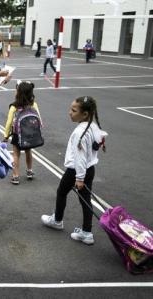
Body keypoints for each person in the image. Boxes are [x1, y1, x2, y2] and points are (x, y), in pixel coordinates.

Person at [41, 96, 107, 245]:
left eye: (73, 110)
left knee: (61, 192)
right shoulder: (92, 126)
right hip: (90, 169)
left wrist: (79, 178)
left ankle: (57, 221)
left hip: (76, 171)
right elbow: (101, 137)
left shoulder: (79, 132)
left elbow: (80, 158)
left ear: (85, 114)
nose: (69, 112)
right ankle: (86, 232)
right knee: (85, 200)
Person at [3, 81, 40, 185]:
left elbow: (9, 122)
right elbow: (38, 119)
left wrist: (6, 135)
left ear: (18, 93)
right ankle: (29, 171)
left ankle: (15, 176)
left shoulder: (14, 106)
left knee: (16, 154)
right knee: (28, 151)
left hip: (17, 134)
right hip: (29, 133)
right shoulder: (34, 104)